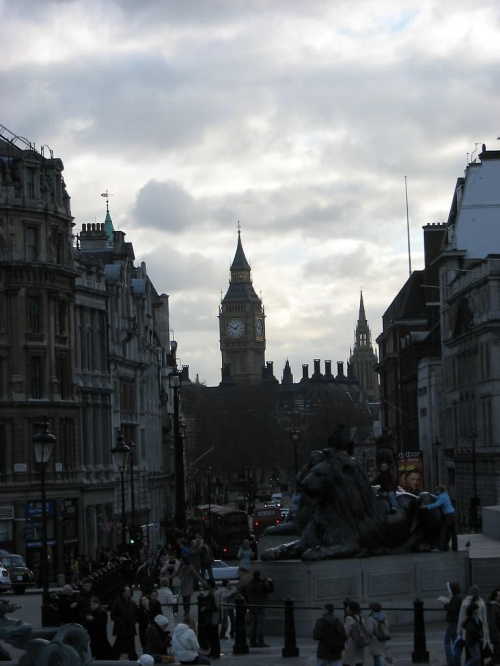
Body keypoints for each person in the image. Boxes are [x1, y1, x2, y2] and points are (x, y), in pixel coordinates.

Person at [242, 570, 274, 648]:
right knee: (260, 625)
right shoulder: (262, 585)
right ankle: (260, 642)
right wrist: (270, 582)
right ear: (259, 576)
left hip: (252, 606)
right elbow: (270, 590)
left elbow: (244, 593)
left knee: (253, 625)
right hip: (261, 605)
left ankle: (252, 642)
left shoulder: (249, 585)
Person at [421, 485, 458, 552]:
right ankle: (455, 548)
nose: (436, 492)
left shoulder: (443, 497)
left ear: (440, 491)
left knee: (443, 530)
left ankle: (439, 547)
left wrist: (426, 507)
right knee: (453, 532)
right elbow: (438, 498)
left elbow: (437, 504)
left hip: (449, 515)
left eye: (437, 490)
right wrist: (432, 495)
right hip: (452, 513)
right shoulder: (445, 495)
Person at [458, 585, 490, 659]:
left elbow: (461, 618)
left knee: (469, 655)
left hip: (467, 631)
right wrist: (486, 633)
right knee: (480, 655)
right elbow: (484, 619)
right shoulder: (481, 602)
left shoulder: (465, 602)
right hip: (479, 631)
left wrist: (459, 631)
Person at [110, 584, 139, 661]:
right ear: (123, 593)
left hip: (130, 629)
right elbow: (112, 615)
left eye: (129, 591)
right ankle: (113, 660)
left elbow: (136, 614)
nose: (129, 592)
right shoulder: (117, 603)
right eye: (127, 591)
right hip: (121, 629)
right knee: (118, 646)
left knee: (131, 647)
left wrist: (133, 620)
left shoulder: (132, 603)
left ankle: (134, 660)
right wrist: (120, 621)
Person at [440, 582, 464, 666]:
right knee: (455, 643)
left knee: (446, 641)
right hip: (457, 622)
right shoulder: (459, 597)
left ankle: (450, 661)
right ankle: (457, 661)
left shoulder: (456, 598)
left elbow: (452, 610)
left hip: (453, 622)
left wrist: (445, 604)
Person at [200, 580, 222, 658]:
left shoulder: (214, 594)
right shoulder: (210, 593)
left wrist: (206, 608)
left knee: (214, 636)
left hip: (213, 618)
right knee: (210, 635)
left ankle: (216, 652)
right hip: (209, 618)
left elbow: (217, 606)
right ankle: (213, 651)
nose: (205, 585)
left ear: (209, 585)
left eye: (206, 584)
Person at [343, 600, 366, 666]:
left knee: (348, 661)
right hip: (360, 639)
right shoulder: (360, 617)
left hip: (351, 641)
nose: (346, 608)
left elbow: (346, 631)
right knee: (358, 659)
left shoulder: (349, 618)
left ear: (351, 608)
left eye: (347, 607)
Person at [365, 602, 389, 666]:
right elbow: (387, 627)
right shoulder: (384, 617)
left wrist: (367, 635)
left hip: (374, 639)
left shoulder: (371, 619)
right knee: (380, 655)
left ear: (372, 609)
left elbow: (369, 631)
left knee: (377, 657)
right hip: (383, 637)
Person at [487, 589, 500, 666]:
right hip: (497, 636)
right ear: (495, 597)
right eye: (499, 595)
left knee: (496, 658)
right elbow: (492, 624)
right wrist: (496, 637)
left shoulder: (497, 606)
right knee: (496, 659)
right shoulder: (493, 607)